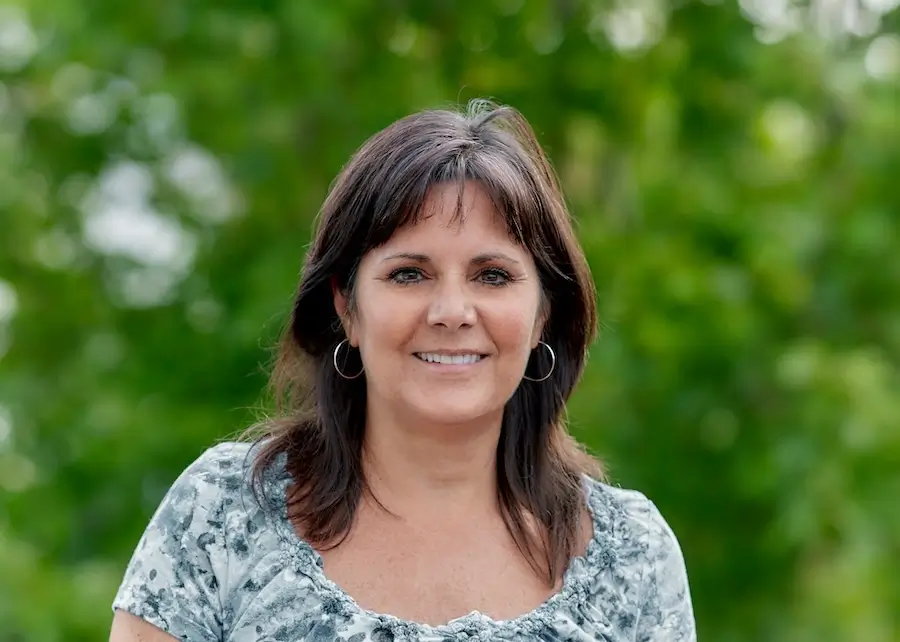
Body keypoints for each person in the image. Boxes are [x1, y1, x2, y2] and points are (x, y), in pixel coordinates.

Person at [109, 100, 696, 642]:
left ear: (543, 312)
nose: (452, 313)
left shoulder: (632, 553)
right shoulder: (224, 511)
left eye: (492, 275)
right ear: (346, 307)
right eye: (409, 274)